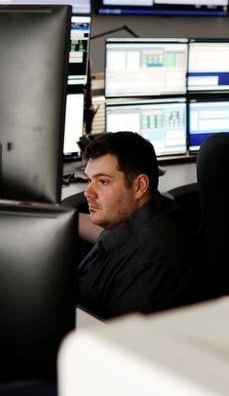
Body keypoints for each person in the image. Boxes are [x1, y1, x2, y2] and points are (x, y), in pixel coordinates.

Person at [77, 131, 194, 319]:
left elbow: (118, 341)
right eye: (89, 180)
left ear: (139, 186)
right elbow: (106, 236)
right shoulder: (141, 215)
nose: (88, 192)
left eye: (103, 181)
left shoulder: (150, 260)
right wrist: (58, 216)